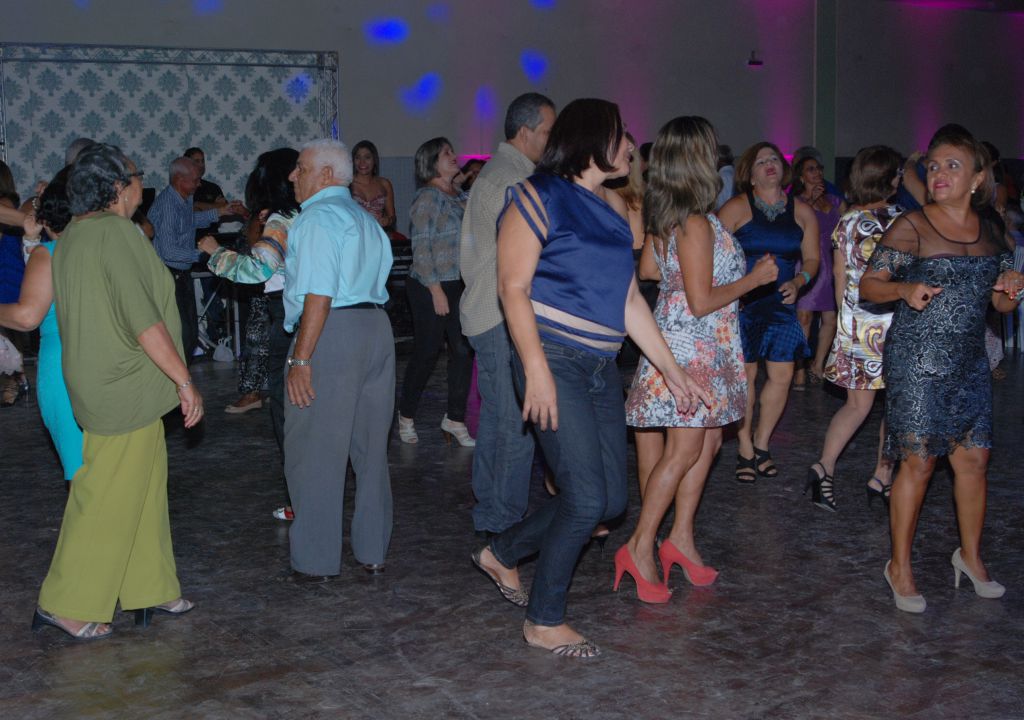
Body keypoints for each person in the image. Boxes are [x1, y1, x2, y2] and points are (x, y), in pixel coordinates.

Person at [470, 98, 709, 658]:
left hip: (600, 366)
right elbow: (512, 288)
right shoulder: (537, 194)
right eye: (621, 135)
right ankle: (543, 620)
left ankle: (502, 551)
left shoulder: (614, 211)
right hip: (553, 357)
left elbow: (628, 301)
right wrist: (536, 370)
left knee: (609, 502)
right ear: (592, 139)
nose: (630, 146)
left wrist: (672, 371)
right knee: (583, 499)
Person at [33, 143, 201, 640]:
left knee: (143, 487)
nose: (142, 183)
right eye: (136, 175)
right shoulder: (116, 233)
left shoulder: (75, 233)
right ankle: (64, 602)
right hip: (123, 384)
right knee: (104, 495)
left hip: (102, 379)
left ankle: (149, 585)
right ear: (117, 188)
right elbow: (142, 319)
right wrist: (184, 380)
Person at [860, 124, 1024, 613]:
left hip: (969, 360)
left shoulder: (991, 229)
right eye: (933, 166)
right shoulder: (912, 226)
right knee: (919, 462)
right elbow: (869, 285)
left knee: (974, 461)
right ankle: (899, 566)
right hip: (917, 360)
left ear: (977, 178)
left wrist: (1011, 289)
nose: (938, 173)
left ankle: (970, 557)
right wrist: (903, 289)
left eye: (952, 165)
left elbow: (999, 305)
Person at [623, 116, 778, 602]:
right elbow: (701, 300)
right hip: (694, 349)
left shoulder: (675, 217)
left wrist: (676, 266)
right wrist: (753, 280)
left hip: (705, 344)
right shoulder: (692, 222)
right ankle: (639, 546)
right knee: (685, 450)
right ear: (697, 160)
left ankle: (681, 539)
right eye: (711, 150)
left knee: (709, 444)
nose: (717, 157)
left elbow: (650, 269)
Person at [283, 139, 394, 580]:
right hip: (377, 330)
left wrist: (301, 359)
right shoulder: (365, 219)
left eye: (301, 167)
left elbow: (319, 293)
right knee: (371, 451)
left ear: (326, 174)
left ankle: (316, 559)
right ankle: (372, 548)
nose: (293, 175)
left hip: (332, 334)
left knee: (315, 450)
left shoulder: (317, 218)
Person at [460, 92, 555, 535]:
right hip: (501, 314)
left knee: (500, 420)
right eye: (547, 132)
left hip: (490, 311)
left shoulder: (502, 172)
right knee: (515, 423)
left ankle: (491, 509)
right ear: (525, 131)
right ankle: (502, 520)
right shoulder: (511, 180)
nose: (551, 142)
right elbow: (525, 258)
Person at [198, 148, 300, 520]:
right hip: (316, 315)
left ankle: (299, 500)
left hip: (286, 316)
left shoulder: (280, 219)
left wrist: (214, 252)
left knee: (287, 414)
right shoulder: (311, 214)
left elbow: (257, 270)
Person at [806, 146, 903, 512]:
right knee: (895, 406)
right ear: (889, 180)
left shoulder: (847, 221)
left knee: (856, 406)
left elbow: (839, 278)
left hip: (857, 323)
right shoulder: (902, 221)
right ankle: (882, 476)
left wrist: (844, 325)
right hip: (894, 323)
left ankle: (823, 468)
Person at [718, 142, 820, 483]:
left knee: (782, 375)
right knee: (745, 377)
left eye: (774, 158)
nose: (770, 164)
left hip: (782, 304)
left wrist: (801, 281)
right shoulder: (736, 207)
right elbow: (711, 254)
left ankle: (762, 442)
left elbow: (813, 259)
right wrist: (731, 290)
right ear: (750, 174)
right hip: (744, 305)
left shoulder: (801, 211)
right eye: (761, 161)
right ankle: (745, 446)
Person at [0, 172, 83, 484]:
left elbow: (27, 317)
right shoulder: (99, 249)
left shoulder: (46, 255)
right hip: (104, 360)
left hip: (62, 364)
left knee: (79, 466)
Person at [397, 137, 475, 446]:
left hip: (458, 282)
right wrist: (436, 291)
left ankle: (454, 419)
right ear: (431, 162)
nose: (454, 156)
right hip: (428, 284)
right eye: (446, 153)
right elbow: (421, 248)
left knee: (463, 351)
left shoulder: (459, 195)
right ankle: (405, 415)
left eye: (453, 151)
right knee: (427, 352)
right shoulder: (427, 198)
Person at [149, 157, 244, 362]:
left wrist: (221, 212)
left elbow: (189, 221)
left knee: (189, 331)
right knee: (181, 333)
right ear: (179, 179)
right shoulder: (168, 205)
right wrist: (204, 254)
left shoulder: (183, 199)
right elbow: (169, 252)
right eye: (195, 180)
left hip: (180, 273)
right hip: (168, 274)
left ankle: (182, 373)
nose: (199, 184)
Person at [791, 154, 845, 388]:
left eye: (819, 168)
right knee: (804, 316)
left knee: (830, 318)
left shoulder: (834, 200)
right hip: (807, 261)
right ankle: (799, 367)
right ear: (802, 177)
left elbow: (848, 224)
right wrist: (809, 202)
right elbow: (791, 230)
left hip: (831, 262)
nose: (817, 173)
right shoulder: (795, 202)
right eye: (811, 169)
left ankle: (818, 364)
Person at [350, 140, 398, 234]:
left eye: (367, 157)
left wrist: (387, 221)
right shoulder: (347, 184)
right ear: (353, 161)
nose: (362, 162)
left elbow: (392, 217)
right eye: (358, 158)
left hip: (378, 235)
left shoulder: (384, 184)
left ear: (374, 160)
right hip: (354, 236)